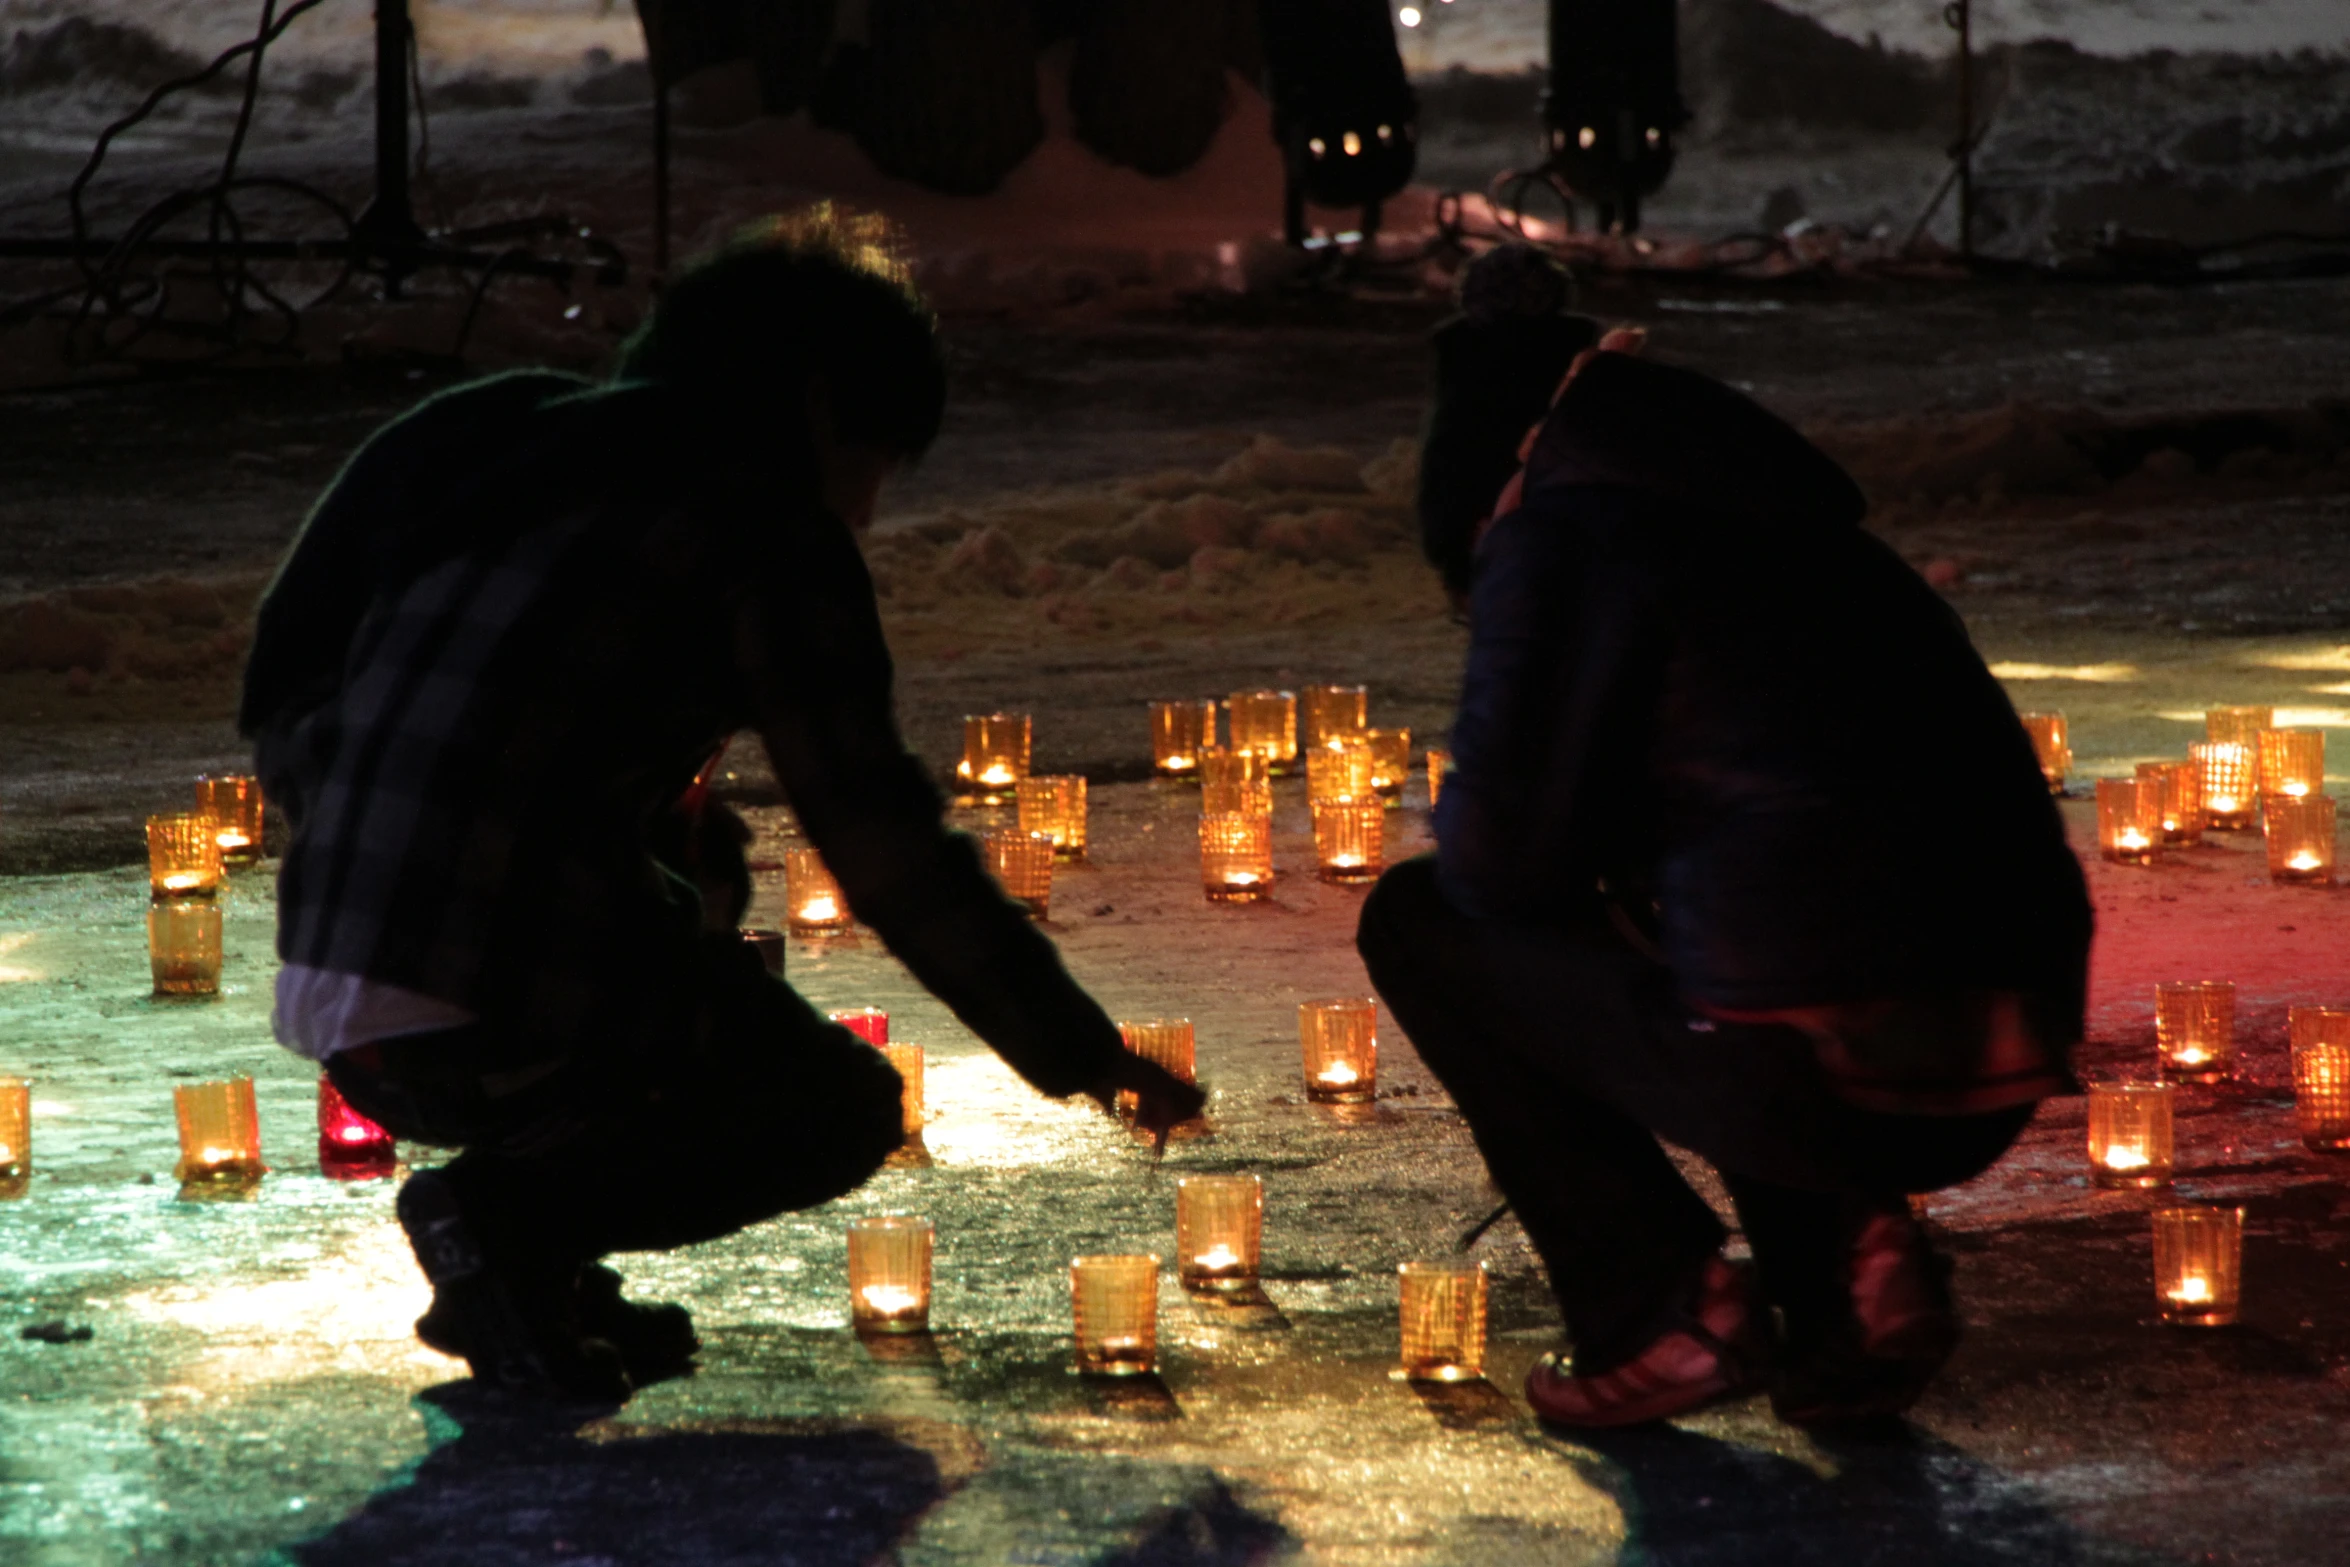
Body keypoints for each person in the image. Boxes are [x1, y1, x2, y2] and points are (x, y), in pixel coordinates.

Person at [239, 208, 1204, 1400]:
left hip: (344, 1010)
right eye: (871, 469)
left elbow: (286, 664)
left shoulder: (484, 434)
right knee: (835, 1104)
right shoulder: (763, 521)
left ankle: (533, 1261)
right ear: (813, 407)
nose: (863, 514)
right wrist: (1077, 1051)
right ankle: (508, 1221)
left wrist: (377, 850)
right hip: (499, 1012)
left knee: (708, 861)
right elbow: (876, 832)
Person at [1358, 344, 2091, 1427]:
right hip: (2000, 1058)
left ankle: (1654, 1311)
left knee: (1421, 923)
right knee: (1719, 922)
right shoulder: (1817, 542)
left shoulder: (1561, 533)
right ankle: (1851, 1288)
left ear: (1496, 492)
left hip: (1818, 1067)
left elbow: (1496, 864)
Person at [1415, 243, 1598, 613]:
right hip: (1568, 544)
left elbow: (1448, 463)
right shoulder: (1583, 369)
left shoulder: (1467, 374)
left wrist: (1448, 547)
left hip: (1489, 544)